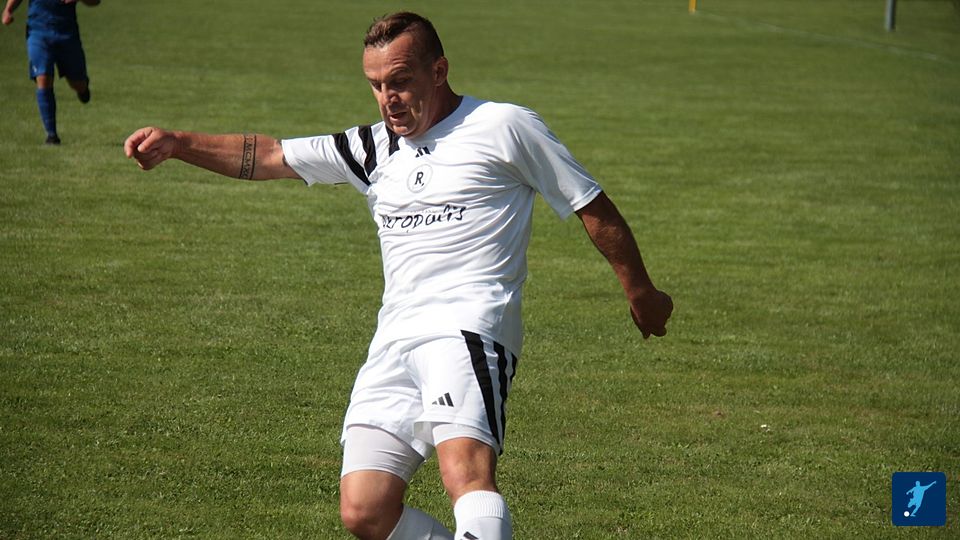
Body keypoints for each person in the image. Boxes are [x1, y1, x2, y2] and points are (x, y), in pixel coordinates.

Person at [123, 12, 673, 540]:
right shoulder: (371, 148)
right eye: (376, 85)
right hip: (394, 341)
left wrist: (640, 291)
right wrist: (179, 144)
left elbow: (590, 205)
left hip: (469, 328)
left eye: (401, 81)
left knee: (465, 473)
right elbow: (270, 156)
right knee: (365, 509)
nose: (388, 97)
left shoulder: (503, 126)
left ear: (439, 71)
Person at [2, 0, 100, 145]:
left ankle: (82, 89)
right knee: (43, 77)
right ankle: (51, 135)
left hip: (67, 34)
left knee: (78, 84)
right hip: (38, 32)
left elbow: (95, 2)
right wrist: (8, 10)